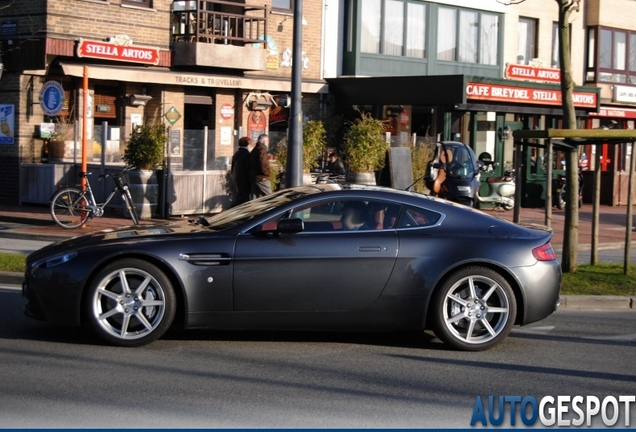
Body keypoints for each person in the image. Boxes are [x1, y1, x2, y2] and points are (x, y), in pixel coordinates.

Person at [231, 136, 252, 206]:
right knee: (244, 200)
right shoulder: (246, 155)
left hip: (237, 179)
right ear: (248, 144)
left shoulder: (236, 154)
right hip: (244, 180)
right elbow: (248, 168)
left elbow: (232, 168)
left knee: (240, 198)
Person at [249, 133, 272, 198]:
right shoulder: (262, 150)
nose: (268, 143)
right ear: (264, 142)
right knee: (270, 198)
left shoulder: (255, 149)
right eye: (268, 141)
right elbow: (263, 164)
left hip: (254, 178)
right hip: (262, 178)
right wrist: (267, 174)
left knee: (253, 200)